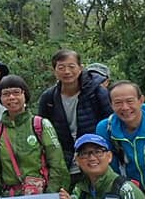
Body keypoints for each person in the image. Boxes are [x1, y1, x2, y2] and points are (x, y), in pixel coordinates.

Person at [38, 49, 112, 186]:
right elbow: (41, 131)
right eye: (61, 67)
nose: (67, 72)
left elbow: (110, 123)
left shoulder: (97, 92)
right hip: (64, 157)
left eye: (71, 67)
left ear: (80, 68)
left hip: (94, 155)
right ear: (54, 70)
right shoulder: (48, 98)